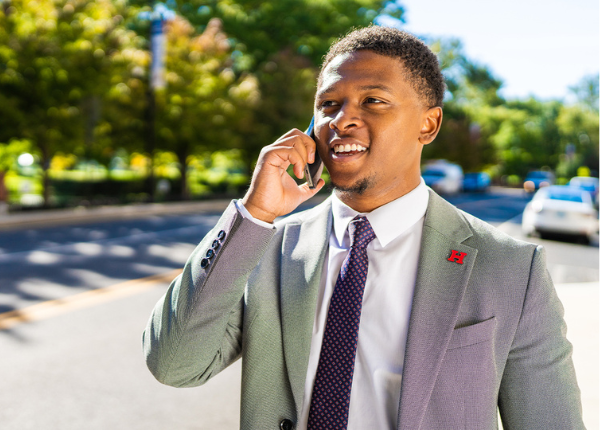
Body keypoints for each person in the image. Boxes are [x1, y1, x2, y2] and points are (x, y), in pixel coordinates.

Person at [143, 26, 584, 430]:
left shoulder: (512, 268)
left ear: (428, 124)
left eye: (373, 101)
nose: (342, 120)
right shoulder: (265, 247)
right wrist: (256, 213)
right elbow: (174, 363)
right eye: (328, 105)